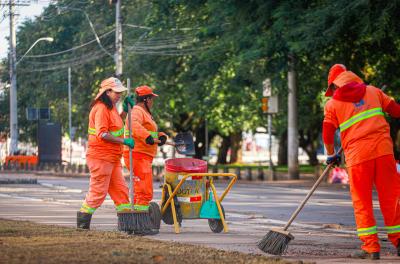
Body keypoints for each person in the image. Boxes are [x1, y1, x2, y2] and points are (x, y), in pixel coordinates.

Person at [322, 64, 400, 260]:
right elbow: (397, 111)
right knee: (391, 197)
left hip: (358, 158)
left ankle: (371, 247)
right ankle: (399, 240)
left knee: (362, 201)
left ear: (334, 86)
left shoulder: (332, 105)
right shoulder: (374, 92)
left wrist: (331, 155)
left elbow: (327, 133)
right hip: (383, 152)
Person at [77, 77, 135, 230]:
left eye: (121, 92)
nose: (119, 95)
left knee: (121, 192)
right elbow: (102, 134)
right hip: (101, 157)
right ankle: (82, 225)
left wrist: (125, 112)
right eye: (117, 92)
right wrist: (124, 142)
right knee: (98, 192)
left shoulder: (111, 107)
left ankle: (127, 226)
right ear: (107, 92)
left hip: (113, 158)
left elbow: (116, 126)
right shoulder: (101, 108)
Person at [123, 85, 167, 234]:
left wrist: (160, 135)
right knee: (144, 191)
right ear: (146, 99)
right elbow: (133, 125)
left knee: (139, 191)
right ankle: (140, 226)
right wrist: (147, 137)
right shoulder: (137, 111)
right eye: (152, 99)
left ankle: (134, 224)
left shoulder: (145, 113)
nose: (153, 102)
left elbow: (148, 132)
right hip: (138, 155)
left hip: (142, 155)